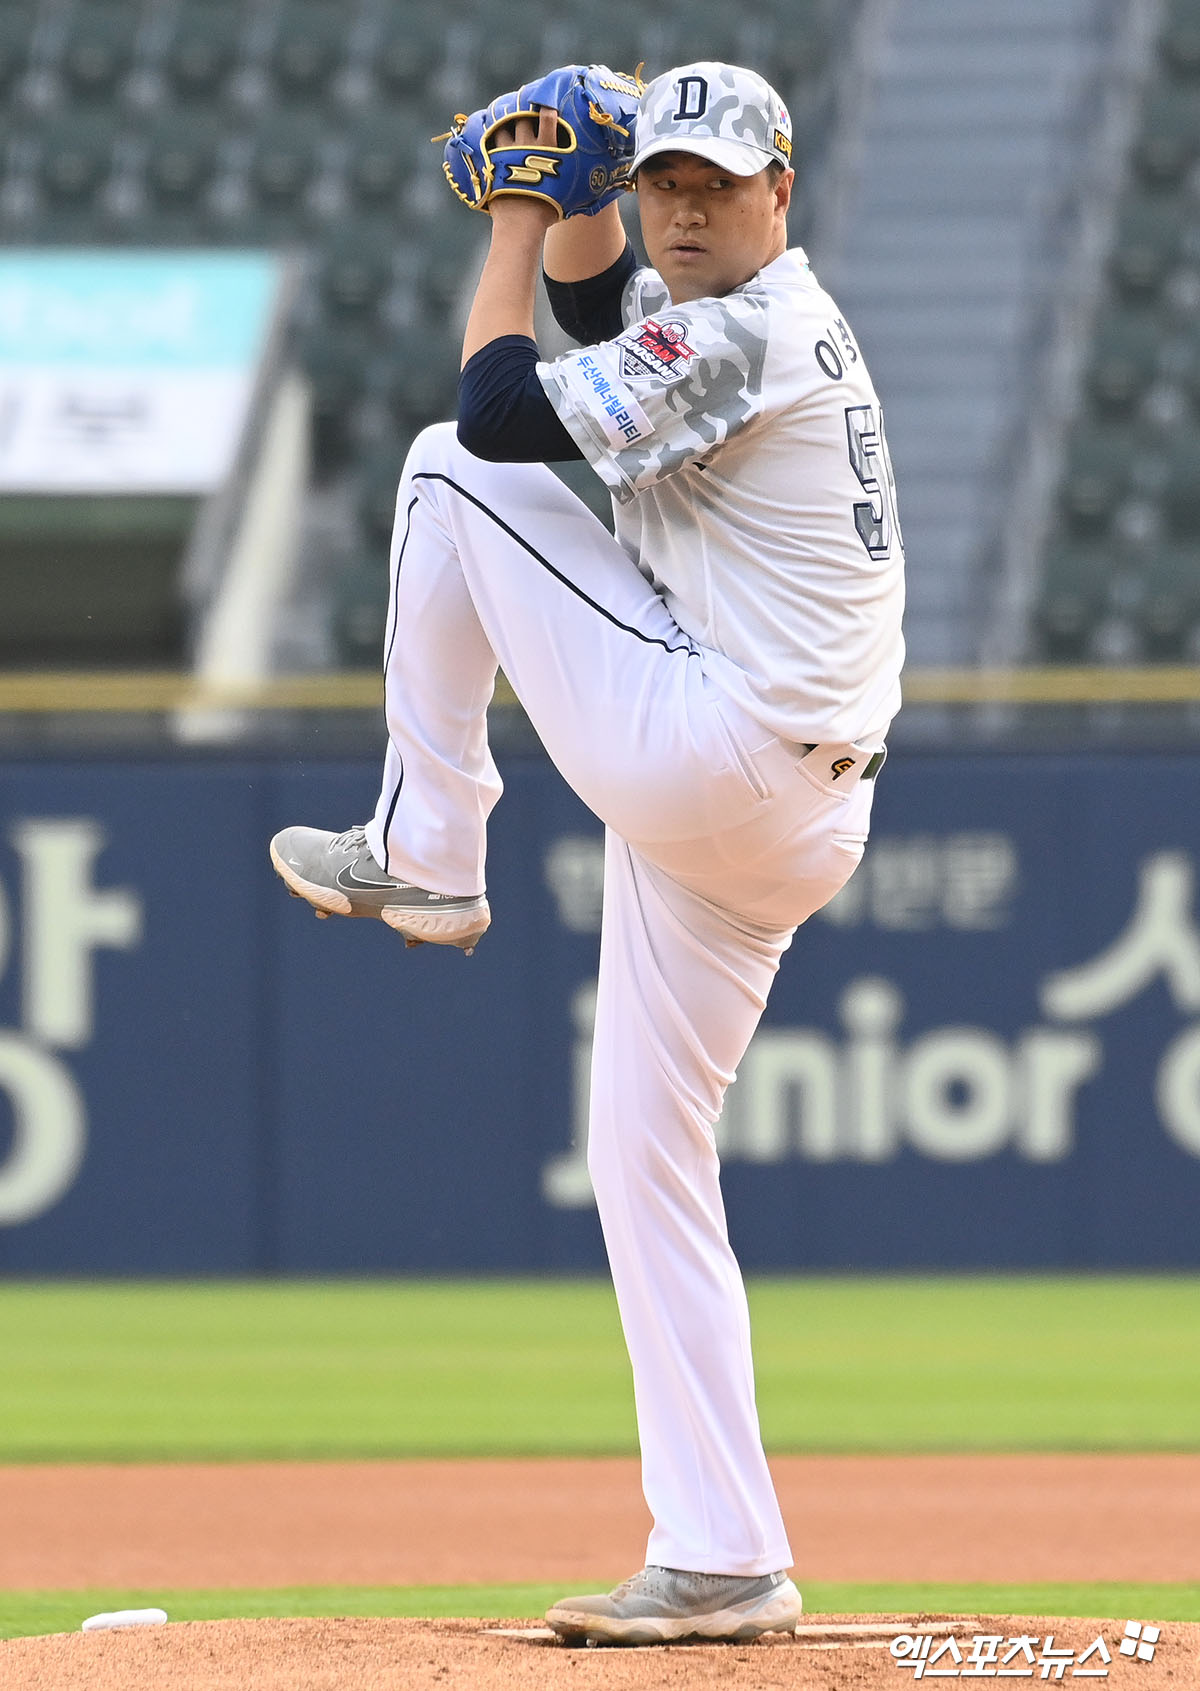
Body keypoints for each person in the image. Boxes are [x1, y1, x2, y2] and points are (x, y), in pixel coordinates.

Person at [271, 61, 905, 1646]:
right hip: (776, 807)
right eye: (663, 179)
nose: (684, 208)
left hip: (724, 754)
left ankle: (430, 845)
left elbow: (504, 409)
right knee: (641, 1156)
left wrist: (517, 208)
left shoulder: (751, 332)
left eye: (716, 183)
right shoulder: (729, 324)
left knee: (446, 464)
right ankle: (722, 1553)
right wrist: (578, 209)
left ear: (781, 191)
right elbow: (602, 314)